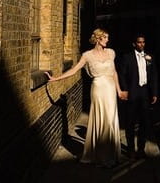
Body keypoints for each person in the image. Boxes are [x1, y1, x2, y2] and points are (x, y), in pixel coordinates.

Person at [45, 28, 124, 166]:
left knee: (110, 120)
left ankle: (111, 153)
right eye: (105, 38)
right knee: (100, 119)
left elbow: (114, 72)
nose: (107, 40)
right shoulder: (87, 55)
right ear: (98, 39)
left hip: (110, 89)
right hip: (98, 89)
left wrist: (119, 90)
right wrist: (56, 78)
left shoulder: (111, 53)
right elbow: (74, 70)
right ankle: (101, 156)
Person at [118, 34, 158, 158]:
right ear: (134, 44)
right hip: (133, 92)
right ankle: (131, 149)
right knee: (130, 122)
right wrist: (125, 90)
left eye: (143, 42)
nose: (141, 44)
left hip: (145, 93)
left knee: (144, 122)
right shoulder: (127, 57)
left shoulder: (149, 58)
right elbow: (122, 75)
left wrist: (154, 92)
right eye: (139, 42)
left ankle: (141, 149)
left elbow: (154, 75)